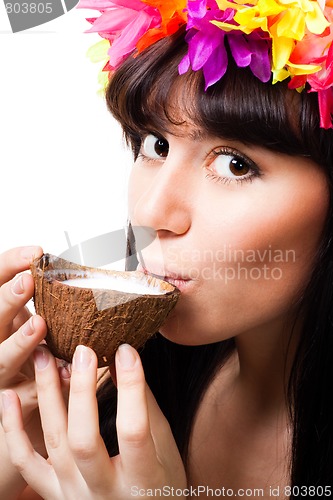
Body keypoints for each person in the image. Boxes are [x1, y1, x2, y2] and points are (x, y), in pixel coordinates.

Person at [1, 0, 333, 498]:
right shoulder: (114, 392)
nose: (153, 212)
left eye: (235, 165)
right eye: (155, 145)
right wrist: (13, 457)